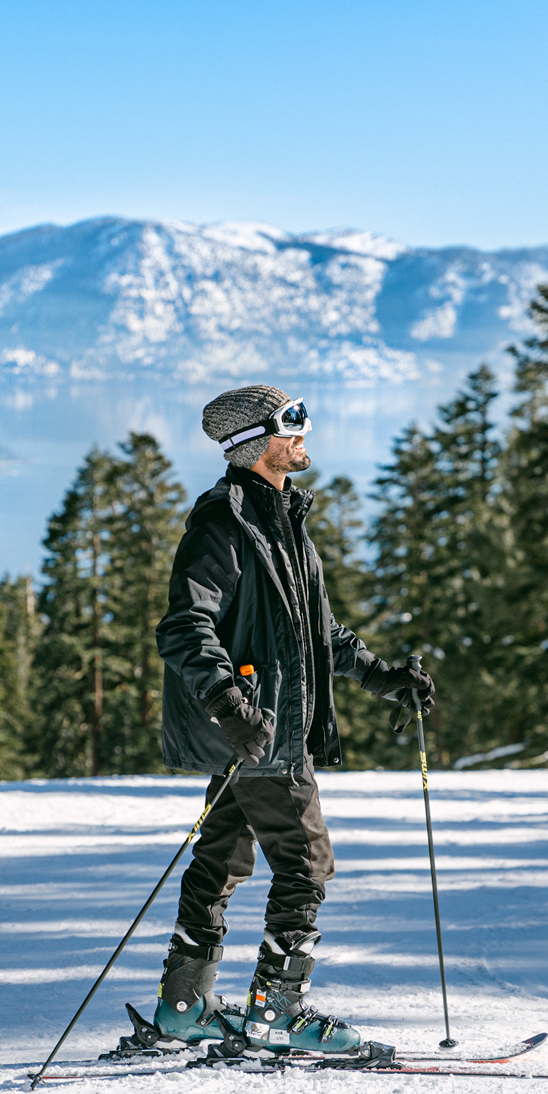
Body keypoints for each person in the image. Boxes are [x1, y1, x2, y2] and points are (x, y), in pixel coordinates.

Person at [151, 385, 436, 1054]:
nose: (305, 433)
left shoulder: (281, 518)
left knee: (220, 859)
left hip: (260, 730)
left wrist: (384, 677)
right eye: (292, 423)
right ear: (256, 440)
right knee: (306, 865)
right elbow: (184, 628)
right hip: (260, 735)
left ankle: (184, 1006)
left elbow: (320, 632)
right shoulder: (223, 523)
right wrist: (231, 707)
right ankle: (277, 1013)